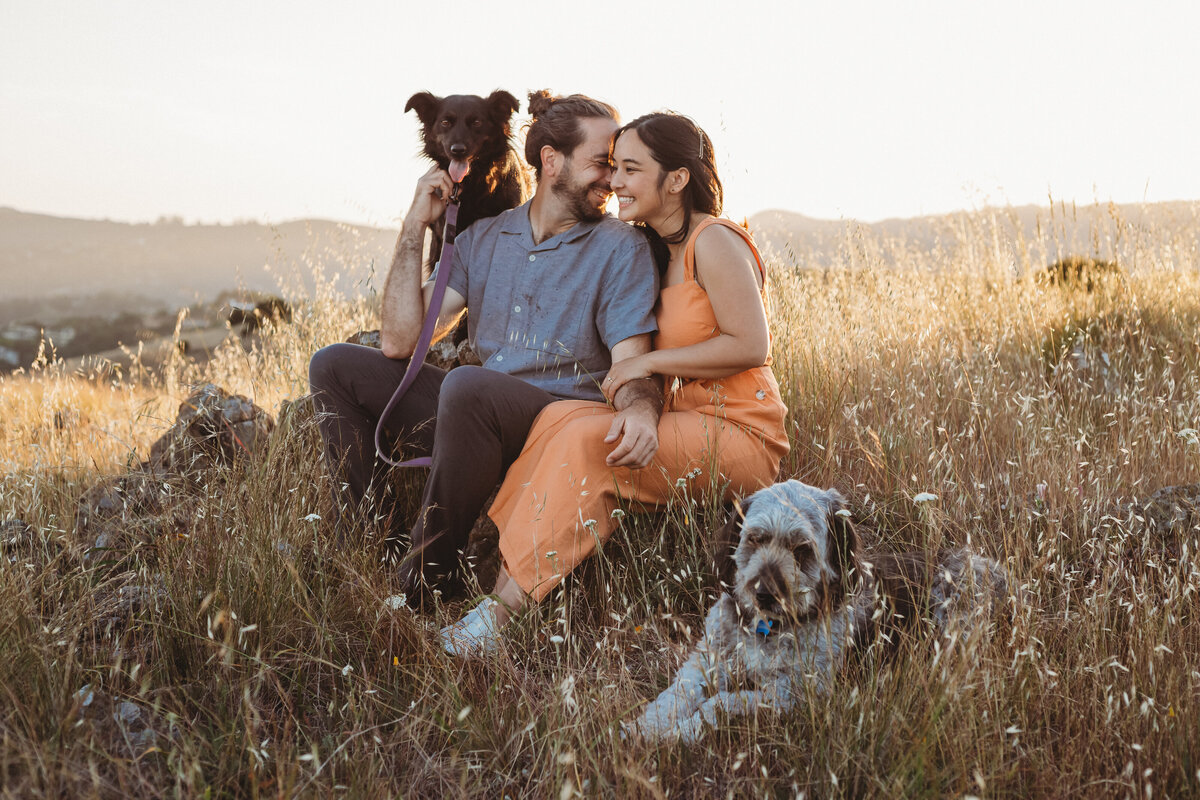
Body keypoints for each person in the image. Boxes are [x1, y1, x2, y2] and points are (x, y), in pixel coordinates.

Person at [441, 112, 790, 654]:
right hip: (689, 419)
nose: (615, 182)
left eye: (630, 169)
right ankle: (502, 570)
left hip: (739, 430)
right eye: (611, 167)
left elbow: (751, 345)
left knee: (590, 443)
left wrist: (646, 366)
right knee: (559, 418)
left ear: (675, 180)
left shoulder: (713, 241)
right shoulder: (656, 247)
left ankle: (498, 618)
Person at [308, 91, 663, 600]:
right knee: (334, 366)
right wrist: (415, 222)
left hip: (550, 422)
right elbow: (399, 339)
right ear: (550, 160)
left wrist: (642, 411)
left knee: (469, 385)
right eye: (600, 164)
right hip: (471, 416)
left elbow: (633, 362)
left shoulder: (620, 247)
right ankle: (369, 538)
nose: (612, 179)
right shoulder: (484, 238)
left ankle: (426, 582)